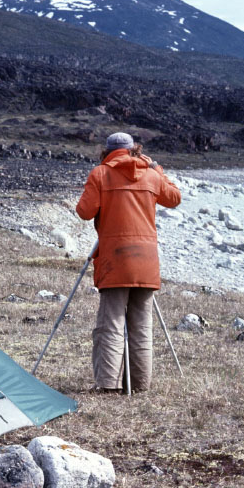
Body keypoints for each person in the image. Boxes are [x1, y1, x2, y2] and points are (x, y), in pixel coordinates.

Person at [76, 132, 181, 392]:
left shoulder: (100, 174)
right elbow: (175, 198)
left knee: (111, 324)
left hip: (115, 259)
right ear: (134, 149)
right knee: (142, 326)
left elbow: (84, 212)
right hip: (146, 261)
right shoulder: (152, 174)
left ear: (108, 150)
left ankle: (109, 386)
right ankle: (140, 384)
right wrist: (157, 168)